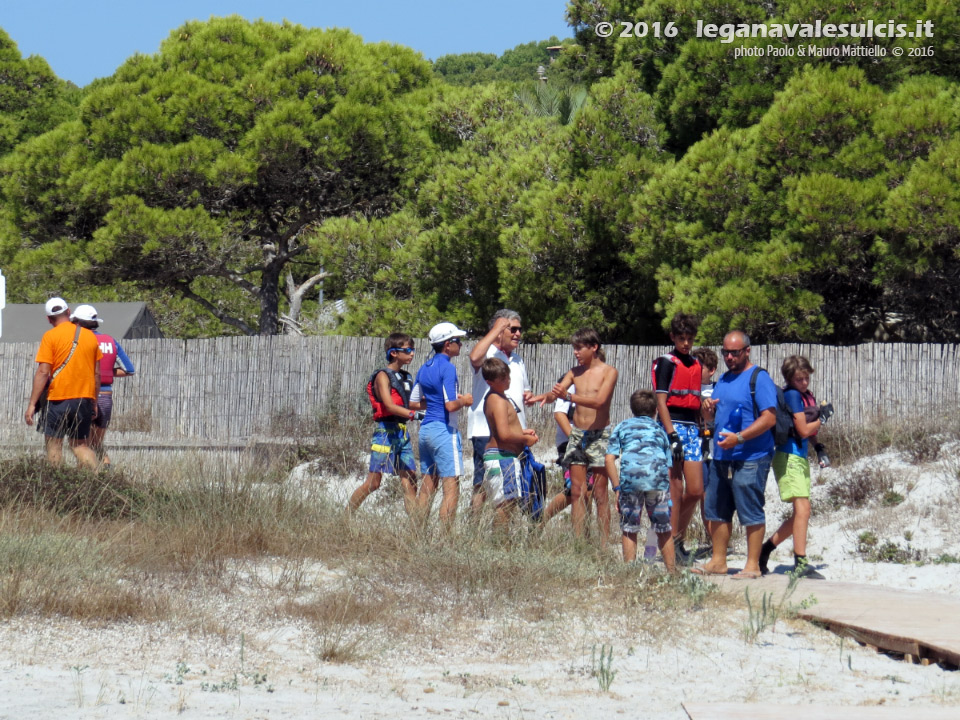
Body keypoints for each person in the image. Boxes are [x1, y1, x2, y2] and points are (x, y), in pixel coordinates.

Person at [694, 331, 776, 580]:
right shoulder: (724, 380)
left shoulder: (758, 378)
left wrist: (739, 438)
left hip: (751, 455)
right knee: (717, 509)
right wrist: (707, 412)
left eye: (735, 352)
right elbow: (713, 419)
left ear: (747, 351)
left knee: (750, 509)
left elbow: (769, 417)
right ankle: (718, 561)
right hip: (721, 455)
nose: (729, 357)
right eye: (725, 353)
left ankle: (752, 566)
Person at [547, 328, 619, 543]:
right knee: (577, 491)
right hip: (577, 435)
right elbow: (555, 394)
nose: (576, 352)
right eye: (574, 348)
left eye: (579, 348)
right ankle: (579, 544)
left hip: (599, 435)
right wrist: (539, 397)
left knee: (600, 493)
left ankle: (604, 545)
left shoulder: (609, 372)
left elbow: (600, 401)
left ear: (594, 347)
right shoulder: (574, 372)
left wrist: (569, 396)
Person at [467, 310, 542, 515]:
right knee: (482, 483)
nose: (518, 334)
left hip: (515, 431)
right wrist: (496, 329)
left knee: (513, 485)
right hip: (486, 430)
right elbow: (474, 357)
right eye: (513, 329)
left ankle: (505, 528)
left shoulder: (517, 360)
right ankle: (474, 530)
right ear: (499, 330)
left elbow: (524, 389)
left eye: (520, 329)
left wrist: (528, 396)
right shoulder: (487, 354)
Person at [758, 356, 826, 579]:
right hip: (788, 458)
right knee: (803, 510)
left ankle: (765, 550)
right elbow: (804, 430)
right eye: (799, 379)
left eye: (806, 378)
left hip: (798, 457)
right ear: (789, 379)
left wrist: (819, 448)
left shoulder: (803, 395)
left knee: (801, 513)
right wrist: (823, 418)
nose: (804, 383)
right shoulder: (793, 396)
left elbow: (808, 435)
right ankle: (800, 562)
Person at [348, 332, 423, 516]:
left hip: (402, 433)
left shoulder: (405, 377)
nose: (412, 353)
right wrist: (415, 415)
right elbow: (389, 405)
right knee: (374, 482)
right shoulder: (383, 375)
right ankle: (346, 516)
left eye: (412, 349)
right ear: (394, 353)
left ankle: (415, 529)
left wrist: (438, 404)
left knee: (410, 479)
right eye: (407, 350)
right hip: (385, 432)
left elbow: (407, 403)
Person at [24, 297, 102, 469]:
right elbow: (97, 374)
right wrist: (94, 402)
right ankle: (98, 480)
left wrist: (32, 404)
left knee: (54, 444)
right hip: (84, 399)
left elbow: (44, 372)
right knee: (80, 445)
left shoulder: (50, 336)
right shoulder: (90, 336)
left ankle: (57, 484)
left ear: (49, 319)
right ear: (68, 312)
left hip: (58, 398)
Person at [652, 313, 704, 563]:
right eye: (681, 338)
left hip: (693, 428)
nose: (685, 343)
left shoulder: (696, 364)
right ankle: (670, 547)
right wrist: (671, 434)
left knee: (695, 490)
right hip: (671, 427)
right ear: (673, 337)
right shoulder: (666, 362)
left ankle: (671, 536)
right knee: (675, 488)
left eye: (690, 338)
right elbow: (661, 402)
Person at [605, 390, 676, 570]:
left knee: (629, 528)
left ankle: (630, 571)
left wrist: (616, 487)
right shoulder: (660, 431)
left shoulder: (622, 427)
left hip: (630, 480)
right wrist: (667, 493)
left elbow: (609, 459)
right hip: (657, 481)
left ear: (632, 408)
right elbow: (668, 464)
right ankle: (672, 572)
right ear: (656, 411)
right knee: (663, 528)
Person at [412, 322, 473, 529]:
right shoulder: (448, 368)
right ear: (448, 345)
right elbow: (450, 405)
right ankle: (446, 541)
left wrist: (435, 401)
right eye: (458, 340)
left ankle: (416, 533)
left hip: (426, 430)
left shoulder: (423, 367)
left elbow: (413, 402)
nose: (461, 344)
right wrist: (464, 401)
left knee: (428, 484)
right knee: (451, 487)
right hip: (444, 431)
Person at [69, 305, 136, 468]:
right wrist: (104, 373)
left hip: (85, 395)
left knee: (80, 445)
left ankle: (88, 481)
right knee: (96, 444)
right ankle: (106, 471)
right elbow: (129, 370)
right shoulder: (110, 341)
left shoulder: (79, 340)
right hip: (106, 397)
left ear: (77, 323)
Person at [478, 358, 539, 529]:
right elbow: (504, 435)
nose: (508, 381)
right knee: (505, 505)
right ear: (489, 381)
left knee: (508, 504)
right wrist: (525, 439)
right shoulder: (496, 400)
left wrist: (523, 432)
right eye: (503, 379)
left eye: (508, 377)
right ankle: (499, 545)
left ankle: (502, 543)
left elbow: (503, 429)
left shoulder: (501, 397)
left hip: (505, 456)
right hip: (501, 457)